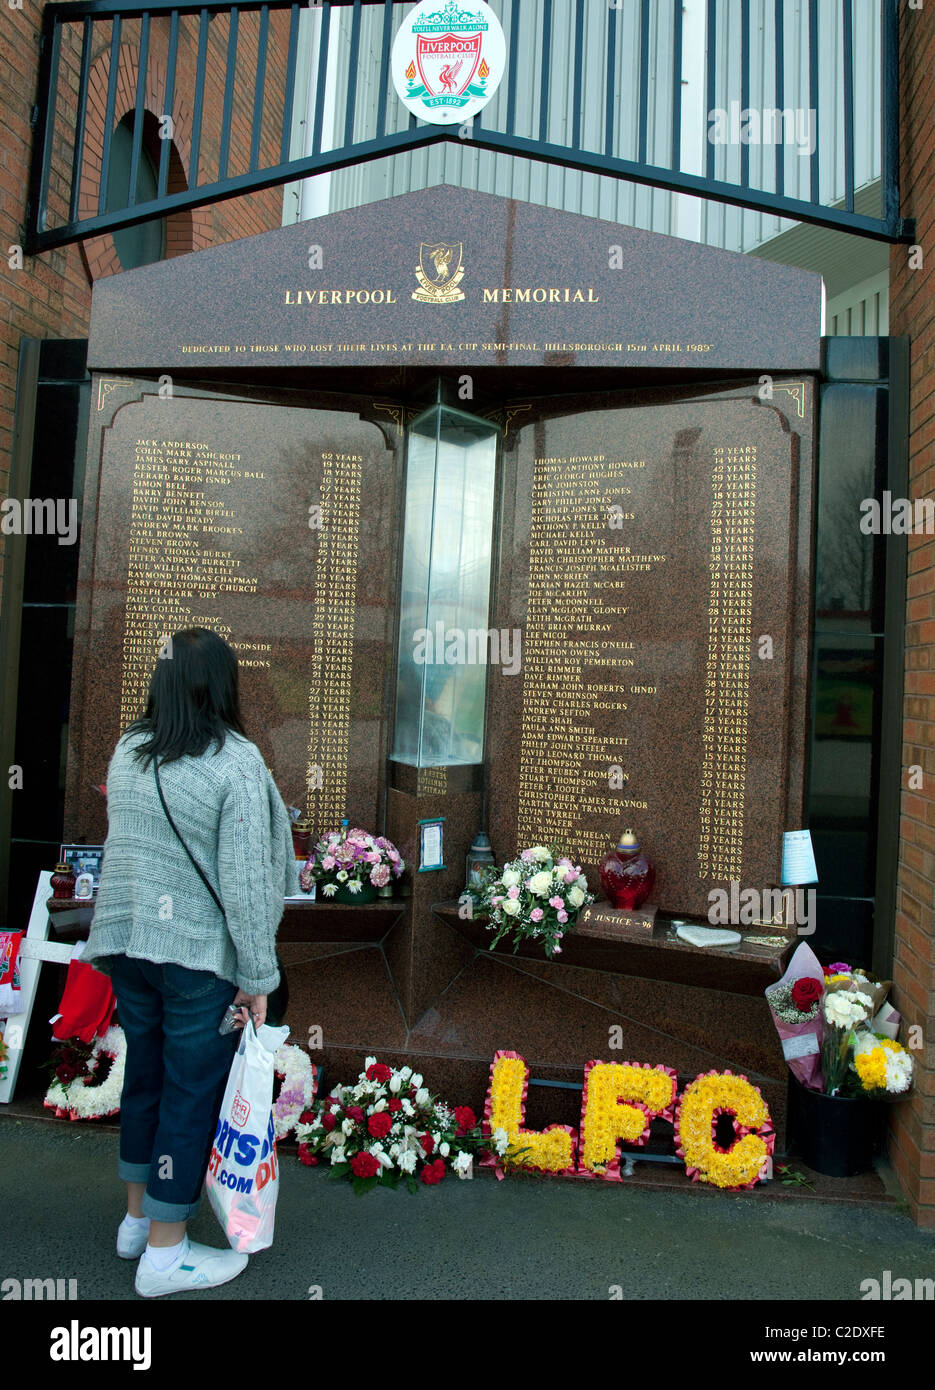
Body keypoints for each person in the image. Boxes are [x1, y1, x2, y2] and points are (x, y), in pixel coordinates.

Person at [83, 628, 294, 1297]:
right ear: (225, 686)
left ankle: (137, 1221)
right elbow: (248, 886)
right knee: (188, 1094)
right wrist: (260, 977)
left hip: (127, 946)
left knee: (144, 1074)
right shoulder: (235, 762)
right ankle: (167, 1255)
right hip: (196, 958)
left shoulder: (128, 749)